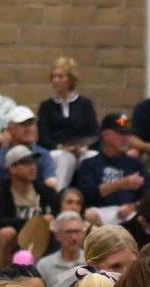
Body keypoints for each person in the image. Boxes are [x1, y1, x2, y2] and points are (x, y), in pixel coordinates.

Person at [76, 113, 150, 225]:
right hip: (101, 212)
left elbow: (148, 196)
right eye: (121, 133)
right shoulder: (90, 164)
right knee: (89, 215)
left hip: (131, 212)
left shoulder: (136, 164)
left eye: (128, 134)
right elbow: (89, 194)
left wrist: (134, 206)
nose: (126, 138)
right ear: (106, 135)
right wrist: (122, 183)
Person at [0, 144, 61, 269]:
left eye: (33, 163)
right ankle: (1, 282)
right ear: (12, 168)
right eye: (26, 163)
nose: (33, 167)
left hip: (42, 238)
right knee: (6, 233)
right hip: (15, 238)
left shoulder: (45, 190)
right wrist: (37, 222)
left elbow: (58, 215)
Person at [37, 57, 99, 189]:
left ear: (70, 79)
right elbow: (43, 137)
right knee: (65, 158)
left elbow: (94, 133)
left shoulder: (85, 104)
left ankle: (87, 195)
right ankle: (58, 196)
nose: (55, 80)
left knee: (91, 157)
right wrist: (61, 147)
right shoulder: (46, 106)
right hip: (58, 150)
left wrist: (83, 148)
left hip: (82, 148)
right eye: (53, 77)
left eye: (60, 76)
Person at [0, 106, 58, 190]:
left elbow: (51, 183)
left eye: (31, 124)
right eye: (23, 125)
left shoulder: (43, 155)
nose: (28, 129)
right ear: (10, 130)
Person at [38, 211, 86, 287]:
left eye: (77, 231)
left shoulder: (92, 261)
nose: (74, 237)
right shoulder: (44, 265)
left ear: (83, 234)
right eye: (69, 232)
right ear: (57, 235)